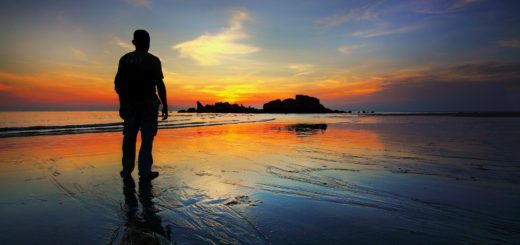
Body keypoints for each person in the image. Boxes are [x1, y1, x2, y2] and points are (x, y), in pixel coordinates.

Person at [114, 29, 168, 181]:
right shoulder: (153, 60)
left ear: (133, 43)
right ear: (147, 43)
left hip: (130, 105)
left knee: (129, 138)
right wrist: (165, 105)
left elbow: (119, 85)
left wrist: (122, 104)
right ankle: (144, 171)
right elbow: (160, 84)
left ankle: (126, 170)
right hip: (149, 105)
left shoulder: (125, 59)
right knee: (147, 138)